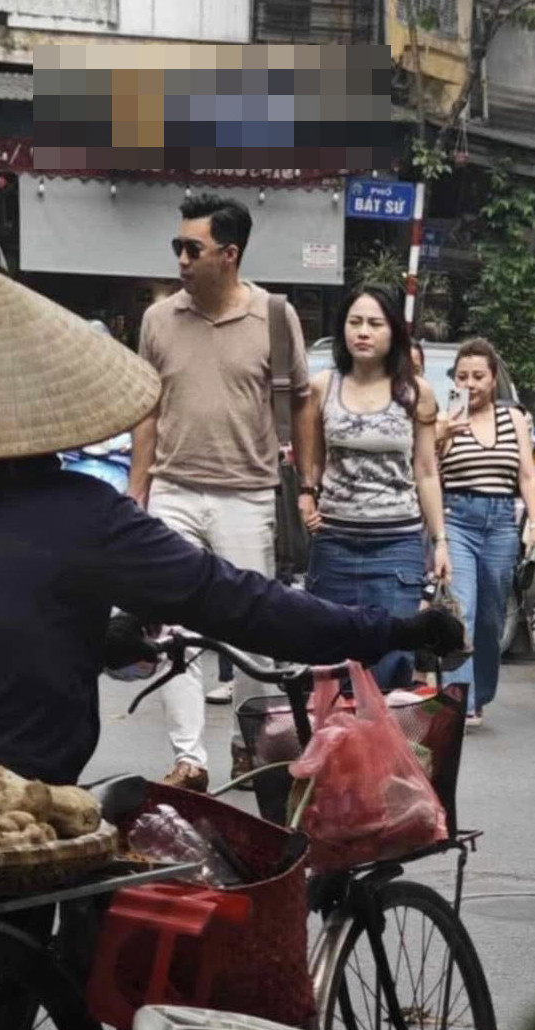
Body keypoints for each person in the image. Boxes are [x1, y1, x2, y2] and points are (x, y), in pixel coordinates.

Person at [0, 270, 464, 785]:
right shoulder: (83, 514)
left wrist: (98, 637)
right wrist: (395, 631)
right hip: (21, 803)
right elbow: (241, 603)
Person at [128, 192, 314, 792]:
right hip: (174, 491)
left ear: (229, 254)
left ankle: (250, 745)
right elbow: (146, 412)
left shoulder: (275, 315)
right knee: (174, 633)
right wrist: (139, 496)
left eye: (193, 248)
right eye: (176, 246)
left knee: (251, 635)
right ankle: (190, 759)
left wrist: (308, 485)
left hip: (248, 494)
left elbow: (302, 402)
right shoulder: (159, 319)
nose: (181, 258)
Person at [297, 284, 451, 690]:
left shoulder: (416, 392)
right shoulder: (322, 386)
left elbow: (426, 470)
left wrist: (439, 541)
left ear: (393, 332)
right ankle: (336, 751)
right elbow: (312, 456)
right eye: (355, 322)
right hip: (334, 542)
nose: (363, 332)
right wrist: (307, 493)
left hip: (396, 547)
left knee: (388, 663)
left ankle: (382, 753)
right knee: (330, 663)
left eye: (374, 323)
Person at [437, 338, 535, 728]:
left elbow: (527, 475)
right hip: (457, 517)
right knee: (461, 610)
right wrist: (443, 433)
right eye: (463, 376)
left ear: (494, 378)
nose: (470, 384)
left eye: (478, 376)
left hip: (501, 521)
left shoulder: (514, 419)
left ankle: (479, 693)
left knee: (489, 617)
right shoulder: (443, 419)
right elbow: (429, 472)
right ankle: (458, 700)